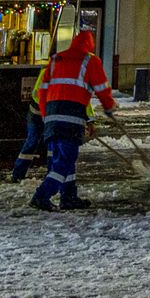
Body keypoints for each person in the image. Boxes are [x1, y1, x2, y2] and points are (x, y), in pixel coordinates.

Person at [31, 29, 114, 213]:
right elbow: (101, 87)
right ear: (89, 46)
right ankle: (42, 195)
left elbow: (42, 90)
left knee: (58, 158)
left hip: (51, 116)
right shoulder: (90, 60)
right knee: (66, 159)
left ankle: (68, 196)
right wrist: (109, 107)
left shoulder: (56, 59)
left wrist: (46, 115)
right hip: (71, 117)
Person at [8, 60, 51, 182]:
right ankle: (18, 174)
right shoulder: (48, 72)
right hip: (38, 112)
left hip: (46, 113)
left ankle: (52, 175)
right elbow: (39, 95)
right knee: (33, 141)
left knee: (50, 143)